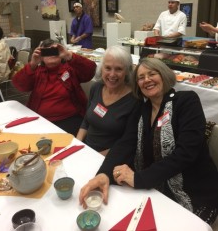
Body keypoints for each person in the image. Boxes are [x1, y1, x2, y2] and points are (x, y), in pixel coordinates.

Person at [79, 58, 218, 225]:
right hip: (156, 186)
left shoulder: (186, 101)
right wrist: (104, 173)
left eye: (152, 74)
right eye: (141, 77)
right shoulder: (141, 109)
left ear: (164, 75)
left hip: (192, 188)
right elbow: (126, 142)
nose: (147, 80)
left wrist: (139, 178)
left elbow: (186, 153)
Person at [12, 39, 96, 136]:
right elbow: (20, 85)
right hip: (40, 118)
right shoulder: (37, 71)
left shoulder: (70, 69)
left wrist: (68, 55)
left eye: (55, 51)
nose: (51, 54)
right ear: (42, 57)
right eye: (47, 52)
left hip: (69, 118)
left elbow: (90, 70)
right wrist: (33, 63)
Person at [76, 45, 140, 156]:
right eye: (108, 68)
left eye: (119, 69)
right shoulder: (96, 87)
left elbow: (127, 142)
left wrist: (95, 156)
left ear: (127, 71)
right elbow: (86, 121)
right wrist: (77, 143)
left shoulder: (134, 100)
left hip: (110, 158)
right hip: (85, 150)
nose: (112, 74)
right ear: (102, 68)